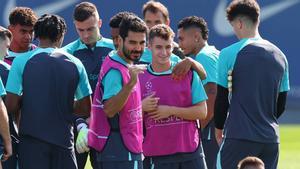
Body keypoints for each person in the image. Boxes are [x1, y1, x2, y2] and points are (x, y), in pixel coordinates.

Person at [5, 14, 92, 169]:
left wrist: (34, 98)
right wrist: (60, 101)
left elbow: (10, 106)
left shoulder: (20, 61)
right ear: (61, 35)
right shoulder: (76, 63)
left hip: (31, 146)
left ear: (37, 35)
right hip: (64, 143)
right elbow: (86, 108)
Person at [214, 0, 289, 169]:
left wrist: (219, 129)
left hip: (238, 137)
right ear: (258, 20)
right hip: (270, 141)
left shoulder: (228, 53)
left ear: (239, 23)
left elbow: (222, 98)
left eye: (233, 26)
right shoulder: (281, 56)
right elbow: (281, 104)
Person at [76, 15, 147, 169]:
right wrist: (130, 85)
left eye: (142, 42)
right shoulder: (116, 71)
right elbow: (109, 109)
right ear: (120, 40)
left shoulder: (120, 61)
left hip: (124, 148)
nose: (138, 48)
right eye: (132, 42)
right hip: (118, 151)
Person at [140, 24, 208, 169]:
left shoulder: (187, 74)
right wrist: (141, 107)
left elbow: (202, 111)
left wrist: (170, 110)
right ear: (149, 47)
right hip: (157, 155)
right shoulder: (139, 78)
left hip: (191, 150)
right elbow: (127, 117)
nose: (164, 52)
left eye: (168, 47)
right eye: (159, 47)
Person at [63, 2, 114, 168]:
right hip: (78, 128)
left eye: (90, 29)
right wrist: (80, 122)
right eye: (80, 30)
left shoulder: (115, 50)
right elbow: (65, 96)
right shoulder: (66, 53)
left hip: (108, 125)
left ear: (99, 23)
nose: (85, 35)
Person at [177, 16, 219, 169]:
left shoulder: (204, 56)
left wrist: (199, 128)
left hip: (211, 127)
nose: (180, 44)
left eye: (181, 39)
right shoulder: (212, 52)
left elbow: (213, 92)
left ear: (196, 37)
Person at [0, 27, 13, 169]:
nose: (8, 53)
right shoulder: (5, 70)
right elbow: (0, 109)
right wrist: (8, 141)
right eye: (7, 47)